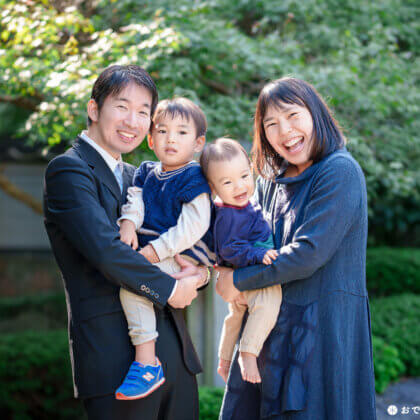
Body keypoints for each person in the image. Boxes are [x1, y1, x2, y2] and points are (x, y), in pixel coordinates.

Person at [43, 65, 209, 420]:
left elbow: (191, 235)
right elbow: (106, 251)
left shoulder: (142, 177)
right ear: (93, 109)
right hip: (114, 357)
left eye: (143, 112)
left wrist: (198, 276)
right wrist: (169, 288)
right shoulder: (68, 171)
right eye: (121, 106)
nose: (132, 121)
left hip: (175, 352)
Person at [215, 77, 377, 419]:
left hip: (320, 337)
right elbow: (238, 235)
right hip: (269, 334)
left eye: (292, 115)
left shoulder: (339, 172)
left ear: (315, 113)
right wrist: (217, 268)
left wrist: (239, 279)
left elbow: (308, 254)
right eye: (270, 124)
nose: (284, 130)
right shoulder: (269, 182)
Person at [115, 97, 215, 400]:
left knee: (132, 287)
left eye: (182, 133)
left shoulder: (194, 176)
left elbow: (193, 226)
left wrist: (155, 252)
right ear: (150, 138)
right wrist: (129, 224)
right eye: (162, 131)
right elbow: (135, 200)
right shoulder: (146, 171)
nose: (170, 139)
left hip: (174, 253)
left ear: (198, 143)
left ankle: (147, 363)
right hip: (147, 247)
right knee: (134, 284)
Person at [199, 137, 281, 384]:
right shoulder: (228, 215)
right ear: (213, 188)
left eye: (244, 176)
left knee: (235, 317)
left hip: (242, 273)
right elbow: (230, 248)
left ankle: (224, 359)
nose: (240, 187)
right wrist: (258, 254)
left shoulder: (242, 203)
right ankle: (247, 352)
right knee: (269, 302)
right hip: (249, 271)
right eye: (227, 182)